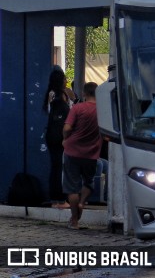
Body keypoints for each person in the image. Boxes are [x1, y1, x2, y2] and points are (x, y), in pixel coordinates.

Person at [62, 82, 101, 230]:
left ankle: (74, 220)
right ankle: (82, 202)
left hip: (72, 151)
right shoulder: (102, 110)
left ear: (84, 93)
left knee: (72, 187)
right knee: (88, 182)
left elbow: (67, 127)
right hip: (91, 153)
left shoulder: (77, 108)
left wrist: (65, 139)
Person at [42, 65, 73, 207]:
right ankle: (59, 199)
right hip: (59, 136)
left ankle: (57, 198)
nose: (66, 80)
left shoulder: (53, 94)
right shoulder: (58, 97)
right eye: (64, 78)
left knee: (56, 167)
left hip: (53, 135)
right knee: (59, 168)